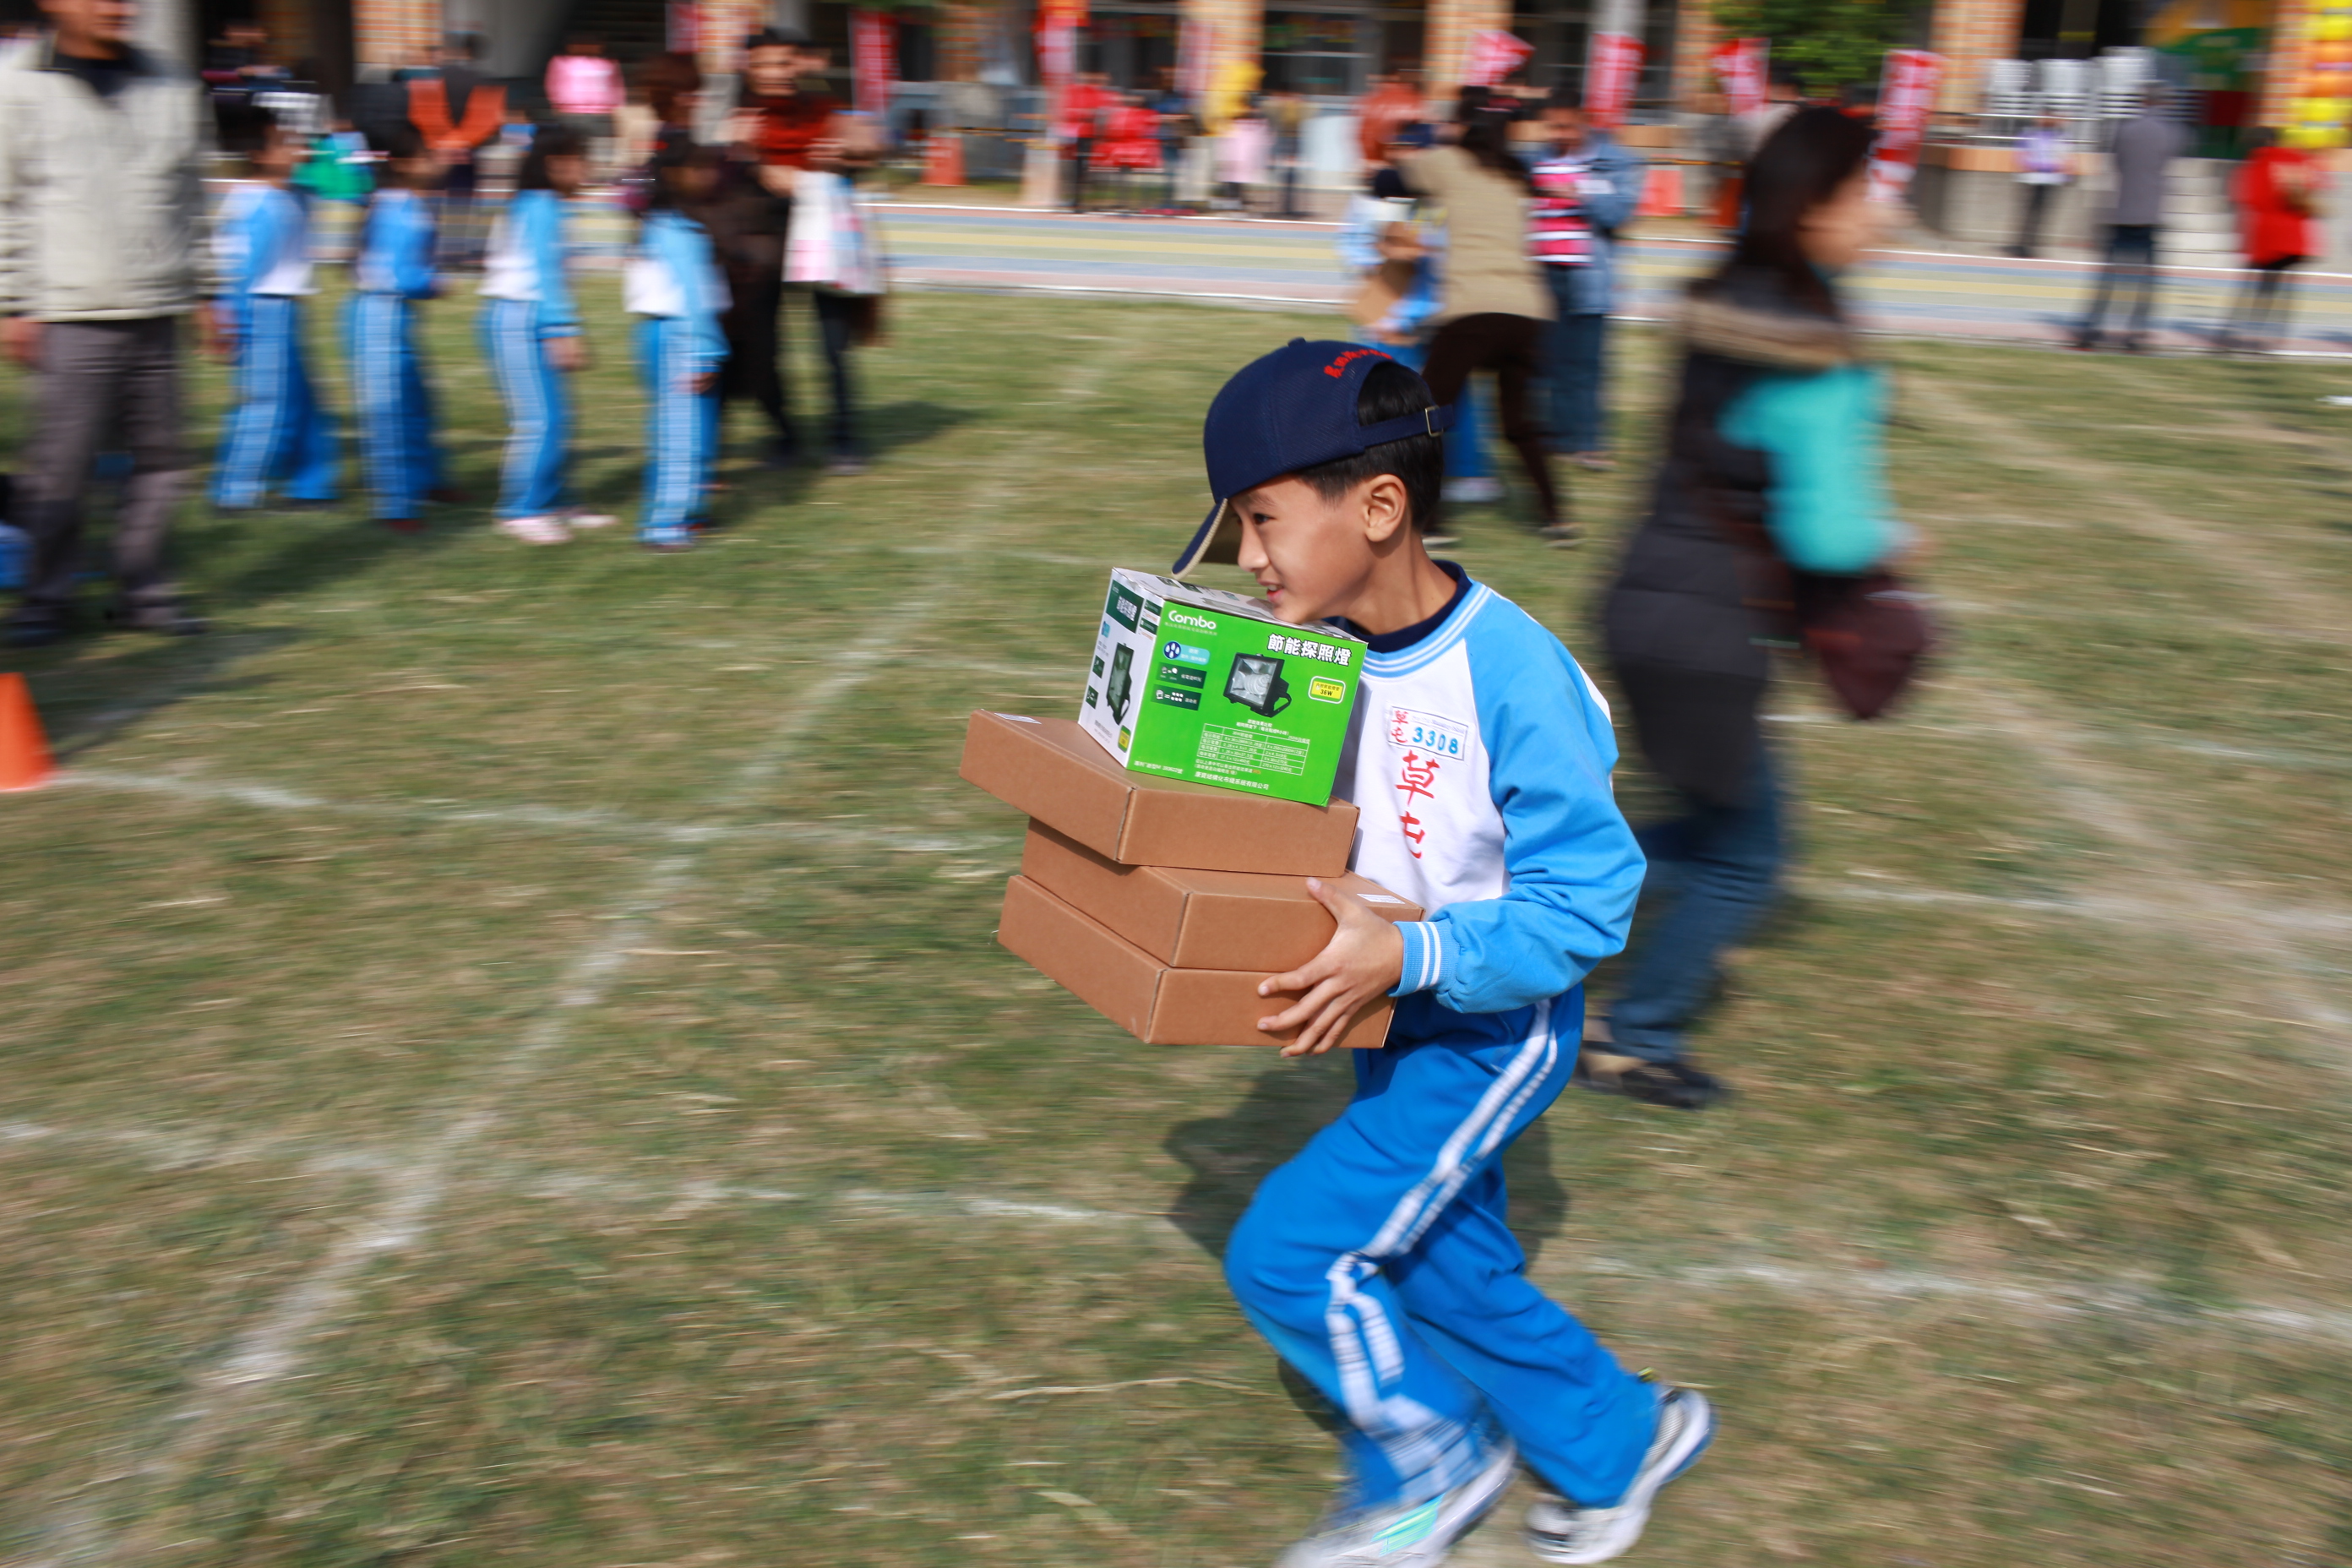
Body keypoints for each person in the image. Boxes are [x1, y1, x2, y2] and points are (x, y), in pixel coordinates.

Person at [1171, 338, 1710, 1568]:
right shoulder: (1314, 656)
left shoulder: (1513, 676)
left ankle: (1430, 1459)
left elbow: (1591, 904)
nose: (1246, 558)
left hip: (1490, 1030)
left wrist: (1412, 957)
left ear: (1377, 507)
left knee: (1291, 1254)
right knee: (1441, 1267)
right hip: (1393, 1013)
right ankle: (1622, 1437)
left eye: (1261, 519)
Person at [1592, 107, 1903, 1109]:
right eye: (1865, 188)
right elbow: (1830, 533)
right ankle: (1633, 1031)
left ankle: (1507, 891)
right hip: (1707, 630)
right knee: (1747, 859)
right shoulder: (1811, 341)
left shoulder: (1728, 302)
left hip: (1648, 603)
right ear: (1812, 207)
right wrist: (1895, 545)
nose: (1882, 210)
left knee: (1706, 829)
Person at [0, 0, 212, 647]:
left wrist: (207, 290)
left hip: (156, 303)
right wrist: (12, 303)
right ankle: (46, 603)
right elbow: (5, 202)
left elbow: (191, 197)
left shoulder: (171, 83)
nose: (114, 6)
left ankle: (143, 594)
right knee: (62, 469)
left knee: (161, 463)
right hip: (70, 308)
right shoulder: (18, 85)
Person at [1398, 109, 1568, 542]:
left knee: (1428, 414)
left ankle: (1431, 522)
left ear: (1463, 131)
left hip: (1472, 308)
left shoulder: (1450, 161)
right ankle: (1557, 518)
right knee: (1519, 423)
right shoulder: (1514, 174)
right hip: (1527, 312)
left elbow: (1400, 174)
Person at [734, 28, 871, 475]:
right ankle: (784, 437)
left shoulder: (824, 110)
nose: (775, 72)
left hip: (820, 241)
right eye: (764, 64)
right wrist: (750, 160)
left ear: (800, 64)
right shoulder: (738, 119)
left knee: (833, 347)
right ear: (749, 69)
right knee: (763, 350)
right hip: (763, 247)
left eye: (784, 62)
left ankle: (844, 441)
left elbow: (870, 146)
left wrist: (851, 153)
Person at [480, 125, 612, 545]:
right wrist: (562, 330)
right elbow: (546, 273)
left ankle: (554, 500)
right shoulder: (539, 205)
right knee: (540, 419)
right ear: (555, 164)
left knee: (558, 416)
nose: (588, 167)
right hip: (519, 319)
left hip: (529, 316)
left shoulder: (545, 204)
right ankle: (520, 510)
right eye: (582, 158)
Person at [210, 102, 338, 514]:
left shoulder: (295, 193)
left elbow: (345, 183)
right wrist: (232, 321)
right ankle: (234, 492)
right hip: (260, 309)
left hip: (287, 310)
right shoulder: (253, 202)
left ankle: (311, 486)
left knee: (303, 401)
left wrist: (324, 149)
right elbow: (238, 270)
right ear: (259, 155)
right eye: (284, 142)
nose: (297, 147)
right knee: (266, 402)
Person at [1530, 90, 1642, 474]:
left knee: (1586, 363)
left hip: (1588, 277)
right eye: (1551, 126)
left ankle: (1589, 442)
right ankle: (1559, 436)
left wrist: (1579, 194)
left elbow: (1620, 212)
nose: (1558, 134)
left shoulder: (1614, 160)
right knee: (1549, 360)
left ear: (1584, 121)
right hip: (1543, 273)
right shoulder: (1535, 160)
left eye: (1566, 126)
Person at [629, 140, 727, 552]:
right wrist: (705, 350)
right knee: (680, 435)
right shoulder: (674, 230)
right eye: (698, 168)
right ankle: (665, 524)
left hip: (673, 335)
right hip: (680, 338)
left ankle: (690, 512)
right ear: (673, 176)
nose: (710, 175)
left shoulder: (666, 223)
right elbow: (691, 296)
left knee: (688, 430)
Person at [348, 127, 447, 534]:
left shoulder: (407, 204)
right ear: (405, 165)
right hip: (379, 313)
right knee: (388, 412)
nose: (437, 161)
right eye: (428, 155)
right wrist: (434, 283)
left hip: (396, 314)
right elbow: (398, 274)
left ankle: (425, 482)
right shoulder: (394, 207)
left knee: (417, 402)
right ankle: (394, 504)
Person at [2074, 84, 2185, 352]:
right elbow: (2167, 163)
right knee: (2146, 280)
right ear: (2164, 103)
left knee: (2109, 277)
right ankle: (2135, 333)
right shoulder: (2171, 132)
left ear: (2142, 102)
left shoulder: (2125, 130)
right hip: (2150, 213)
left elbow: (2119, 164)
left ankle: (2092, 329)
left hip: (2122, 209)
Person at [407, 31, 504, 268]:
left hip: (435, 151)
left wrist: (439, 142)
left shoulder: (432, 78)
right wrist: (465, 142)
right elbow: (493, 124)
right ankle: (456, 252)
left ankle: (427, 249)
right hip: (468, 152)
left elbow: (417, 115)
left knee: (432, 200)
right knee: (462, 201)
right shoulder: (486, 80)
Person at [2224, 127, 2325, 353]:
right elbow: (2317, 187)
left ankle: (2243, 333)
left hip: (2268, 235)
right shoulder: (2299, 159)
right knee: (2284, 288)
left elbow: (2250, 198)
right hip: (2297, 236)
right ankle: (2274, 337)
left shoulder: (2258, 162)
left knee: (2255, 286)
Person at [545, 34, 623, 162]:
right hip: (570, 112)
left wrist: (617, 107)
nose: (586, 48)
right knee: (571, 150)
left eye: (591, 45)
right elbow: (552, 83)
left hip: (601, 113)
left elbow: (616, 85)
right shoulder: (560, 62)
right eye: (581, 45)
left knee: (602, 151)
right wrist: (556, 102)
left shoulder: (609, 63)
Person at [2007, 113, 2070, 259]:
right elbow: (2021, 156)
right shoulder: (2029, 134)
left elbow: (2065, 158)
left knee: (2041, 214)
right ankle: (2021, 244)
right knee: (2027, 213)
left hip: (2050, 180)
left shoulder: (2061, 137)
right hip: (2031, 179)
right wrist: (2036, 166)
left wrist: (2064, 173)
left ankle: (2031, 244)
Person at [1355, 66, 1424, 167]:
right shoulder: (1415, 100)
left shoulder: (1370, 101)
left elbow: (1364, 135)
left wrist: (1369, 159)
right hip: (1407, 161)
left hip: (1377, 159)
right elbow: (1424, 131)